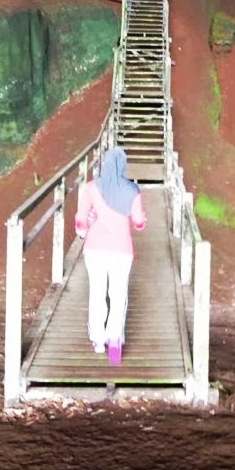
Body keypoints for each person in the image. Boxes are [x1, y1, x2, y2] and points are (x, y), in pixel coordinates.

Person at [75, 147, 146, 366]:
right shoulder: (132, 190)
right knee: (118, 295)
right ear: (123, 165)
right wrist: (141, 219)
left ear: (104, 164)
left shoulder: (90, 188)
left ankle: (98, 341)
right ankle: (114, 342)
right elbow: (139, 223)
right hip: (121, 251)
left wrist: (83, 230)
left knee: (97, 293)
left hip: (94, 250)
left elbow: (80, 220)